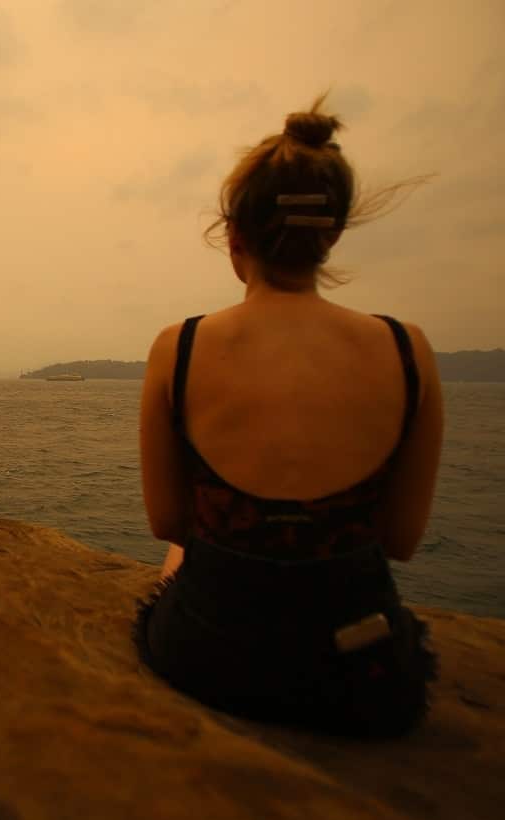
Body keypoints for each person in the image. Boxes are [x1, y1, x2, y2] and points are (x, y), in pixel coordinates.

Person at [134, 96, 443, 737]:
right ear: (330, 235)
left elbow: (170, 521)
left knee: (178, 551)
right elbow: (402, 541)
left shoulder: (180, 348)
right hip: (360, 670)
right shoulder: (408, 350)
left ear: (235, 236)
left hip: (209, 655)